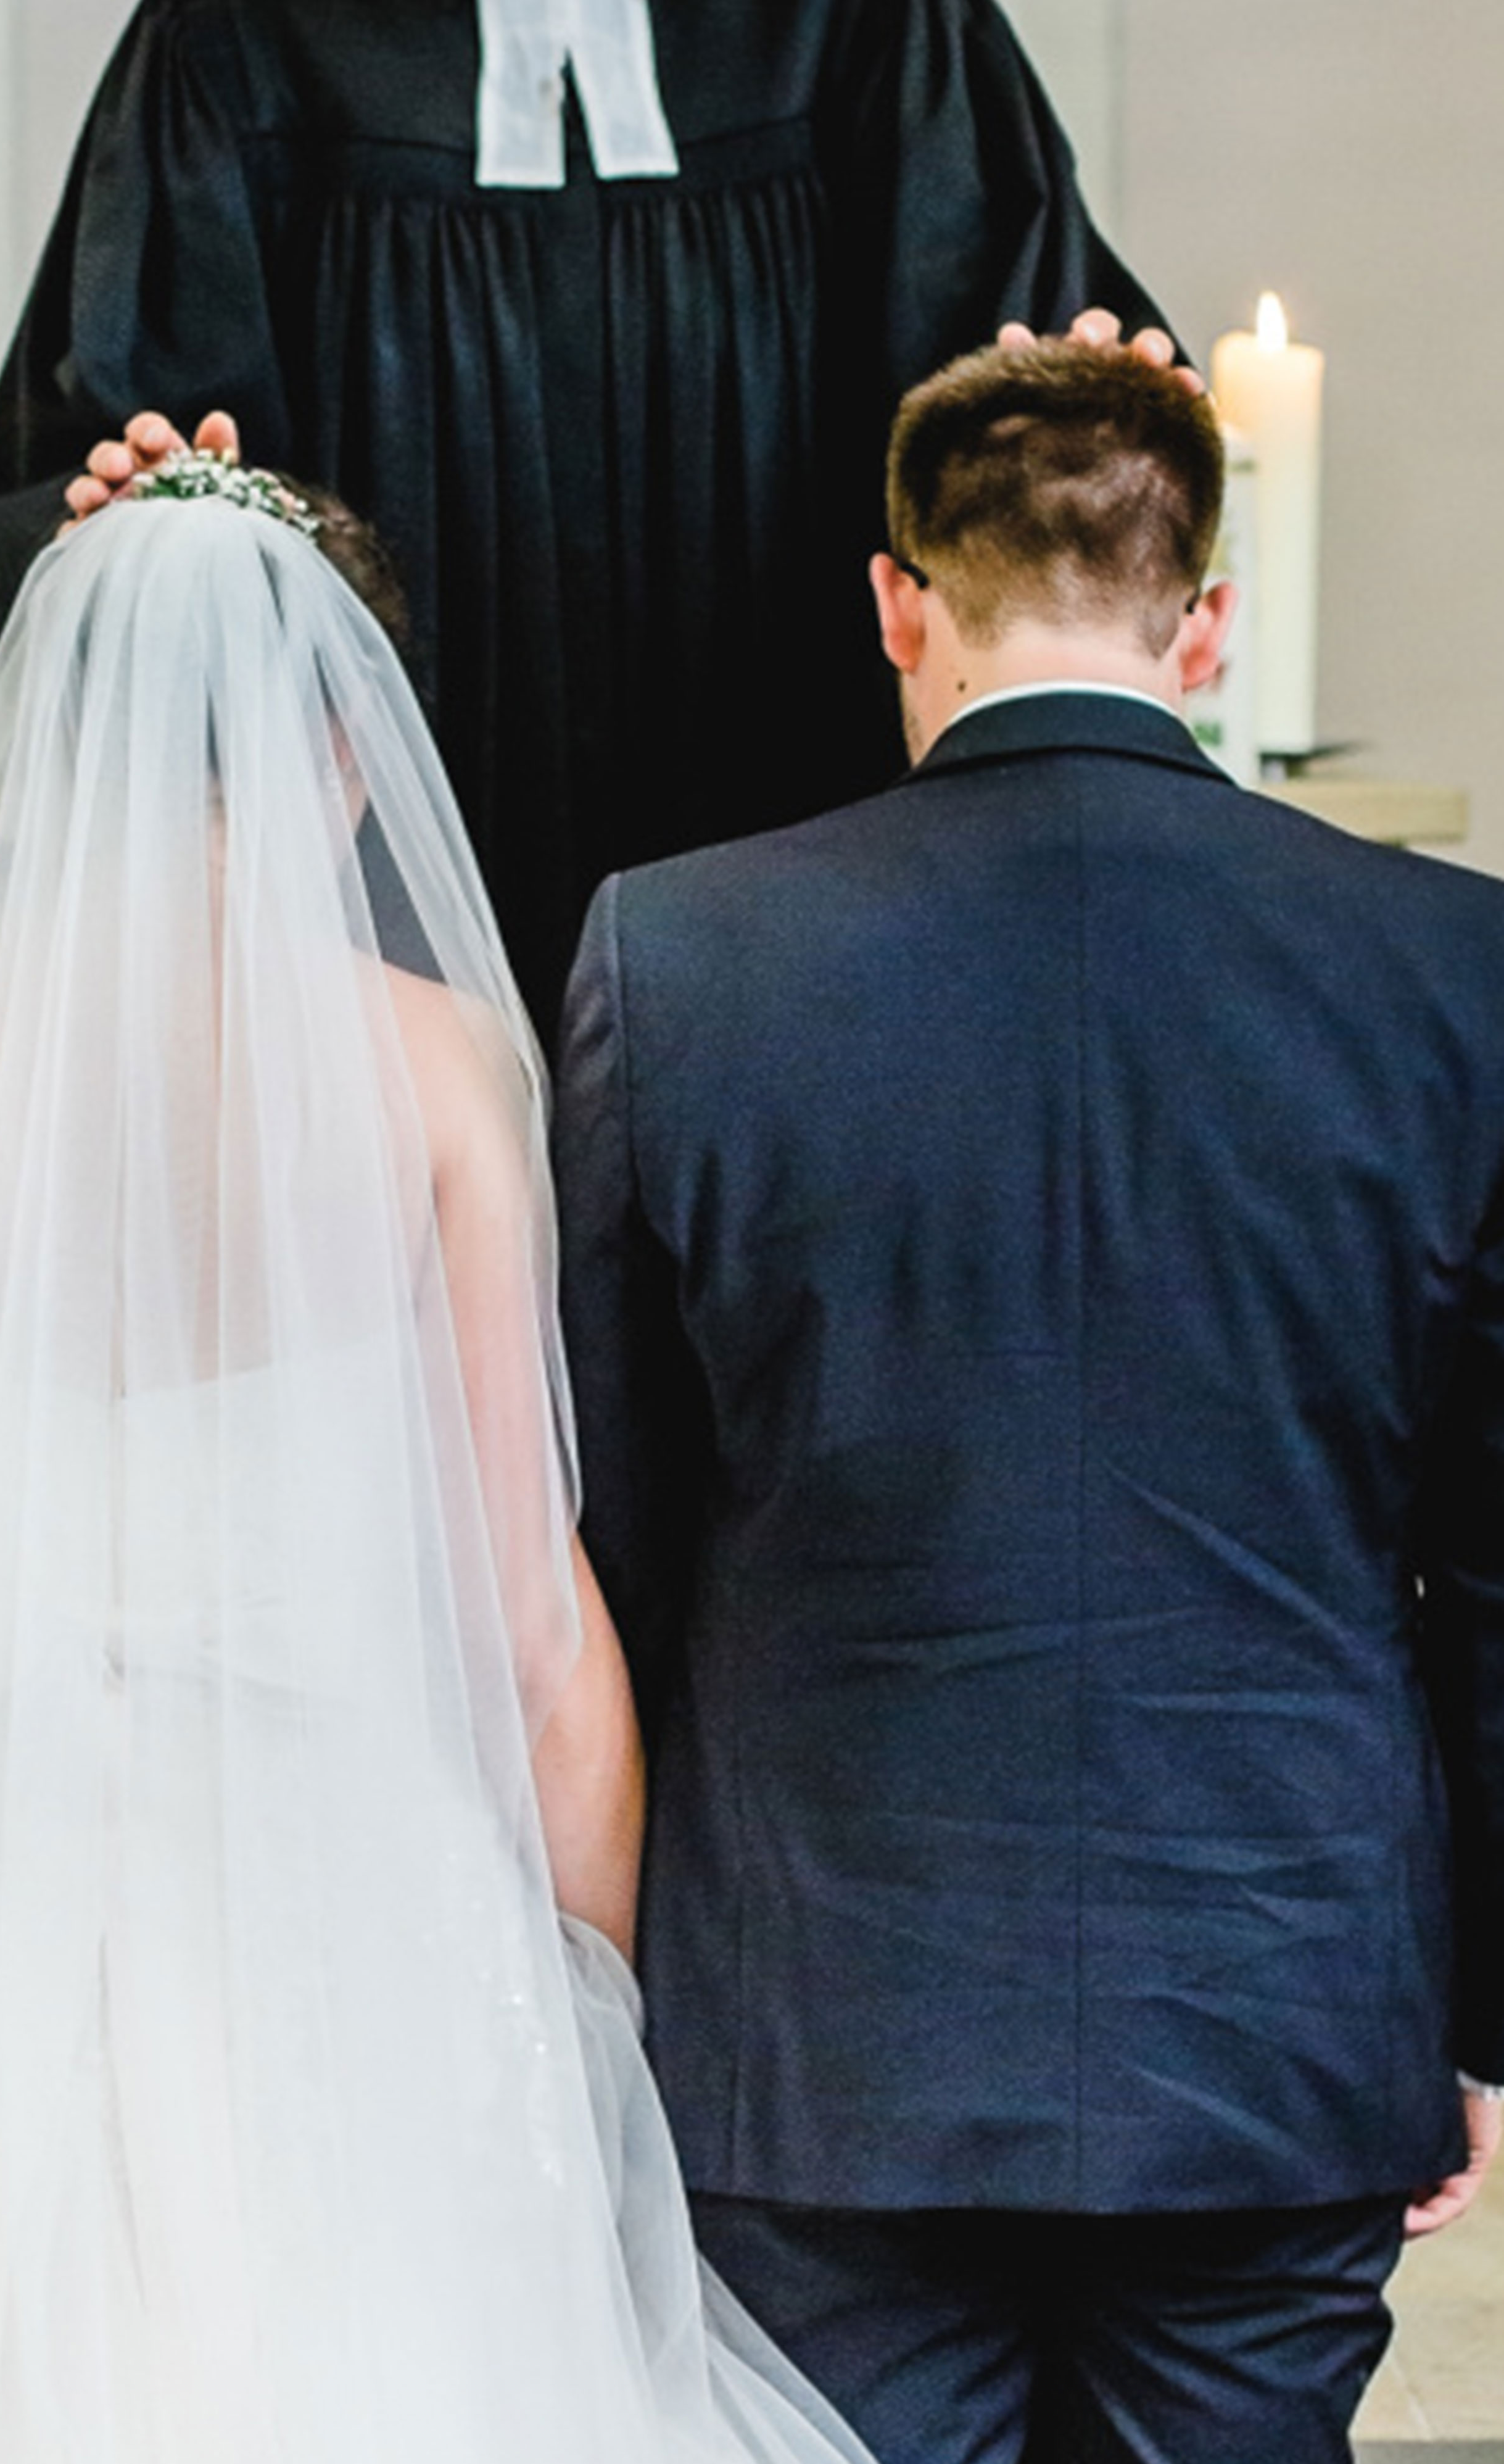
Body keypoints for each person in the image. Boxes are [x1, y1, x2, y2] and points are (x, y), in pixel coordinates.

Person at [0, 468, 878, 2464]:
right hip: (349, 1939)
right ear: (344, 754)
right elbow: (528, 1625)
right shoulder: (430, 1072)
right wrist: (588, 2021)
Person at [553, 338, 1504, 2464]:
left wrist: (625, 1978)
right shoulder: (1453, 969)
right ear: (1207, 621)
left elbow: (605, 1526)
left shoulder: (679, 954)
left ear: (896, 604)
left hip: (818, 2016)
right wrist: (1473, 2012)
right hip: (1275, 2002)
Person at [0, 0, 1175, 1027]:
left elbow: (1020, 425)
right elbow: (116, 453)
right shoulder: (237, 36)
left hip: (798, 806)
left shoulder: (872, 24)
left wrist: (1086, 426)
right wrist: (140, 517)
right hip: (387, 858)